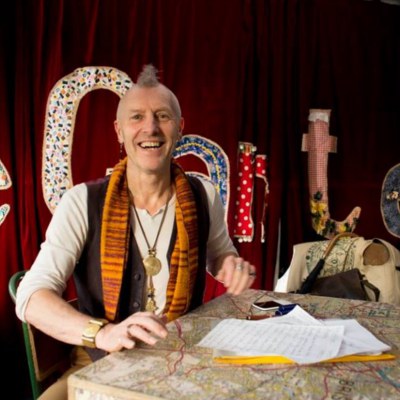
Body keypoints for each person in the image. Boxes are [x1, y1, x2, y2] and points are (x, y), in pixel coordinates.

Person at [15, 64, 256, 399]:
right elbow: (30, 297)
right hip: (99, 364)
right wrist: (103, 334)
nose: (150, 128)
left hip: (182, 361)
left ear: (180, 128)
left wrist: (231, 264)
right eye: (136, 117)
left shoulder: (204, 194)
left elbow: (220, 256)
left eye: (162, 116)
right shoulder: (82, 201)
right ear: (119, 130)